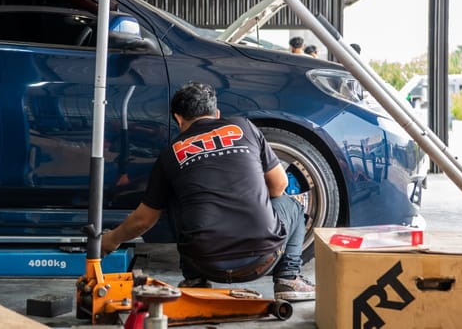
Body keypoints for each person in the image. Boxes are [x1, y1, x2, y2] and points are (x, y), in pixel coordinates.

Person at [101, 82, 315, 301]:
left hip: (204, 263)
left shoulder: (170, 154)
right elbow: (279, 186)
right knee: (294, 206)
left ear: (178, 119)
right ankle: (288, 279)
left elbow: (143, 220)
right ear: (217, 113)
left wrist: (110, 240)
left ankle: (194, 279)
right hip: (263, 260)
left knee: (176, 197)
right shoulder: (245, 126)